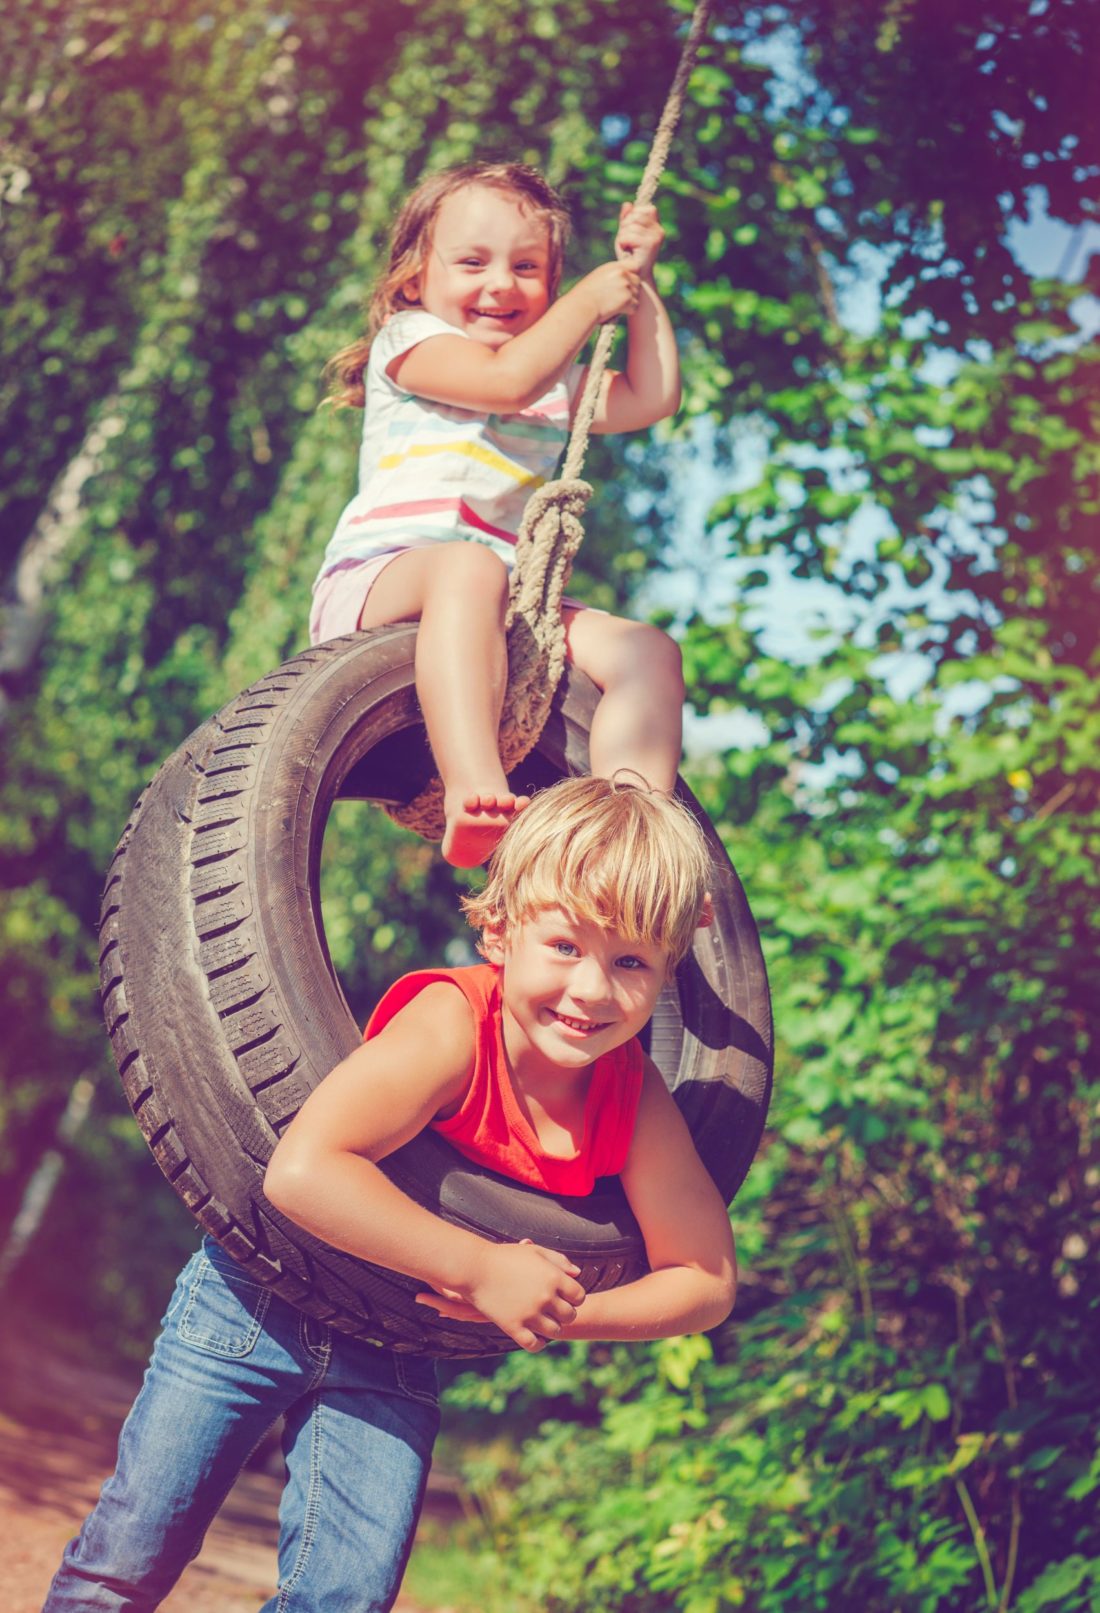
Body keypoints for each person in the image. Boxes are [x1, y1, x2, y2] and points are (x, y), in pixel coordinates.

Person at [42, 778, 735, 1612]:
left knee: (347, 1595)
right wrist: (482, 1267)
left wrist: (558, 1307)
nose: (591, 990)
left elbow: (706, 1279)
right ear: (501, 927)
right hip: (261, 1293)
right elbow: (304, 1170)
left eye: (630, 962)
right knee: (131, 1554)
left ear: (667, 972)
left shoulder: (636, 1099)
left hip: (401, 1335)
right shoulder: (451, 1027)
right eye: (565, 946)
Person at [311, 162, 685, 867]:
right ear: (415, 278)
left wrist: (640, 288)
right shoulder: (410, 341)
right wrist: (587, 302)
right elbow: (502, 382)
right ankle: (474, 787)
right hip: (381, 580)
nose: (500, 284)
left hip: (503, 606)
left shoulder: (554, 388)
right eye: (473, 262)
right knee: (468, 567)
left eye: (527, 266)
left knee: (646, 652)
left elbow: (650, 395)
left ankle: (636, 847)